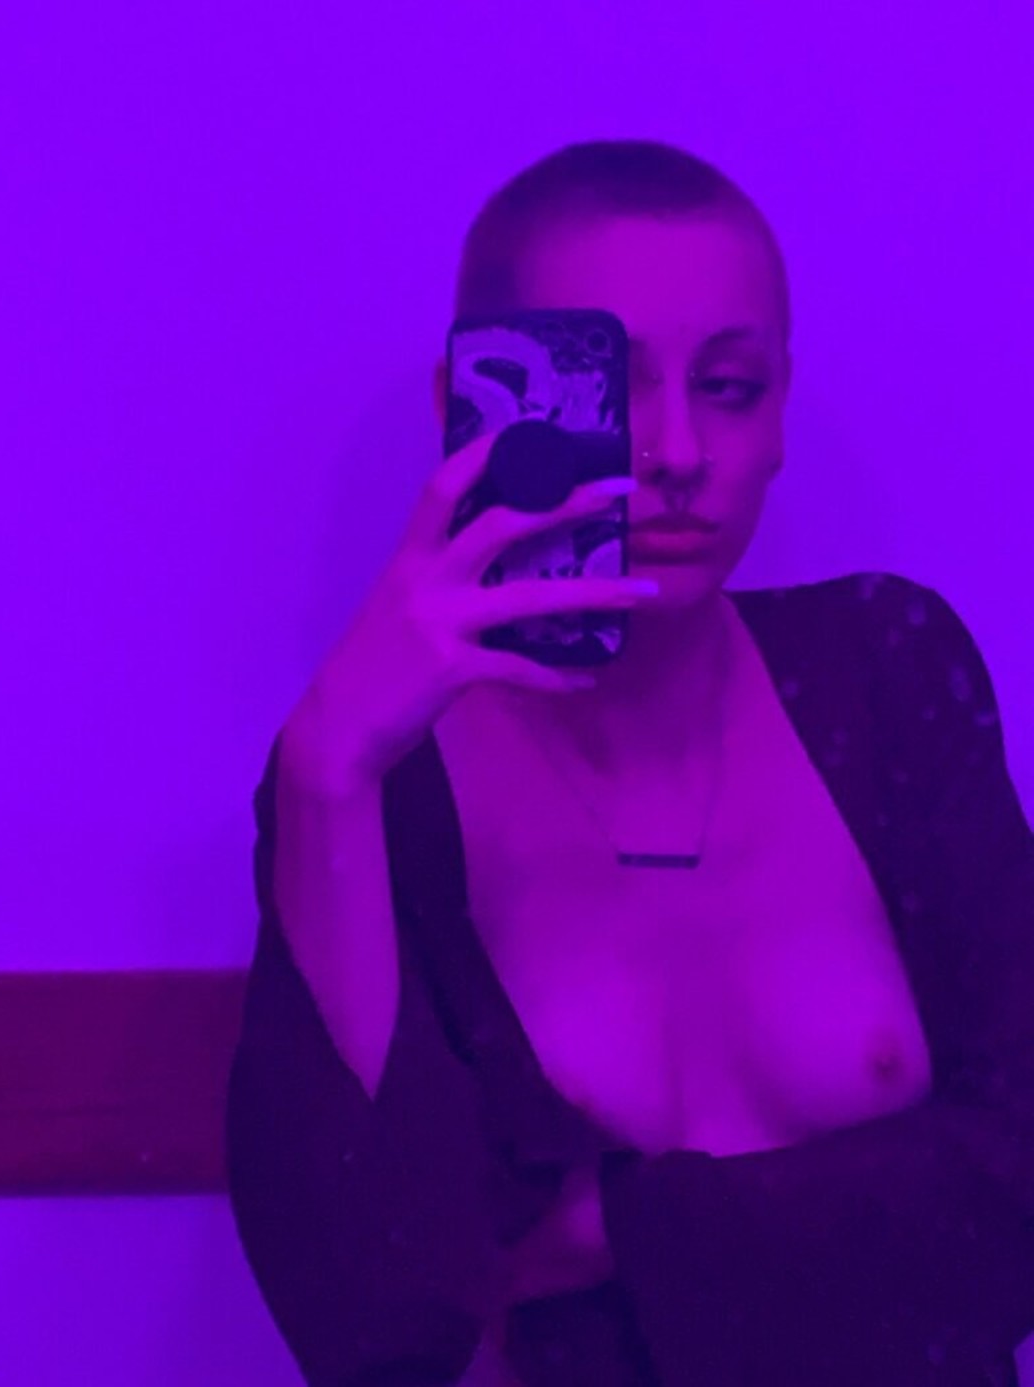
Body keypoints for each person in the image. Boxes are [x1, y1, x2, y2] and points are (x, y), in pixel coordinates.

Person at [225, 139, 1034, 1387]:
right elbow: (381, 1322)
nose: (676, 449)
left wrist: (609, 1230)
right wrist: (329, 764)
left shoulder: (887, 674)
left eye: (729, 386)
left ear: (780, 415)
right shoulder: (387, 790)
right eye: (608, 392)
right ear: (466, 410)